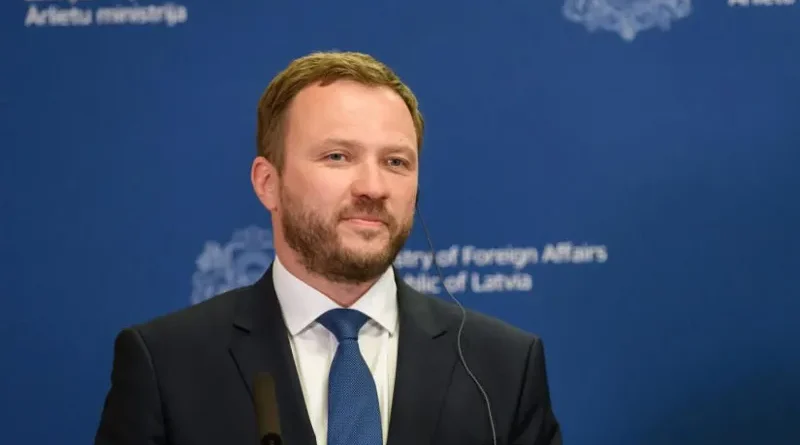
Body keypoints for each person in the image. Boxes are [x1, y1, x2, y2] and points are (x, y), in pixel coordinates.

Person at [94, 50, 562, 445]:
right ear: (267, 182)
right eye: (338, 156)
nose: (373, 187)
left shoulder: (502, 367)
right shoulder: (167, 365)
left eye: (396, 162)